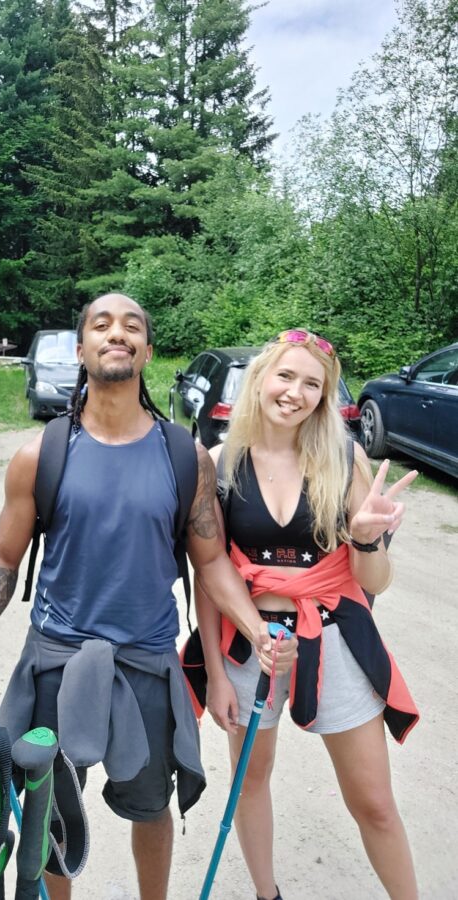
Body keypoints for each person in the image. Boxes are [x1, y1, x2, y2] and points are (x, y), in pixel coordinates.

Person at [0, 293, 297, 900]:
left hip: (147, 664)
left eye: (132, 326)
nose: (117, 333)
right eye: (101, 325)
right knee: (49, 810)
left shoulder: (183, 456)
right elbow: (3, 558)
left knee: (151, 807)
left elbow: (211, 561)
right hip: (56, 661)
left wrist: (257, 628)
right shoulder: (42, 454)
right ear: (81, 349)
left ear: (148, 351)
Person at [195, 329, 420, 900]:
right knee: (251, 781)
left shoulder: (344, 459)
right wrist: (217, 676)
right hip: (251, 645)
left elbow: (377, 584)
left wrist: (367, 543)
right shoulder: (221, 464)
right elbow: (210, 572)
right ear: (262, 379)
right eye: (286, 376)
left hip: (336, 636)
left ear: (324, 396)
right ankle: (267, 894)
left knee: (373, 801)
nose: (295, 392)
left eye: (312, 384)